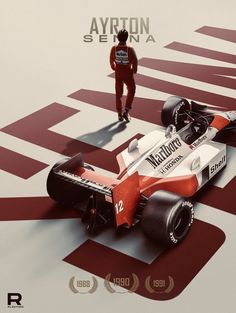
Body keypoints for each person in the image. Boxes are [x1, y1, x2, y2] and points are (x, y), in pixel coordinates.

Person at [110, 29, 138, 122]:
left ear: (118, 37)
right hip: (127, 74)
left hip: (118, 73)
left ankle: (119, 114)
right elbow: (135, 61)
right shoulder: (129, 49)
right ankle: (126, 111)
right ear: (127, 38)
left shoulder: (114, 49)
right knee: (131, 90)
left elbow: (111, 62)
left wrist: (114, 67)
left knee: (118, 94)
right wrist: (134, 70)